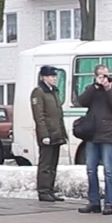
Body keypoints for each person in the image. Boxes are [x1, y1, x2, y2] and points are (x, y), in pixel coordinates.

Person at [76, 65, 112, 215]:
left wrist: (108, 89)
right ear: (96, 76)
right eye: (101, 76)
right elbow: (82, 102)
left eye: (106, 75)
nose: (104, 78)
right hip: (92, 134)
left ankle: (109, 203)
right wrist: (94, 87)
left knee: (108, 170)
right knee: (91, 169)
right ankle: (94, 202)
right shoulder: (93, 89)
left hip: (108, 135)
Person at [30, 65, 66, 203]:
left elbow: (58, 114)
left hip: (56, 132)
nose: (54, 79)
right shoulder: (38, 92)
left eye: (55, 76)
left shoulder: (54, 91)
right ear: (44, 77)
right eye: (51, 76)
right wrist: (44, 134)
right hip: (47, 133)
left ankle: (50, 190)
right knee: (45, 163)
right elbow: (39, 116)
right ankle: (43, 191)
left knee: (53, 164)